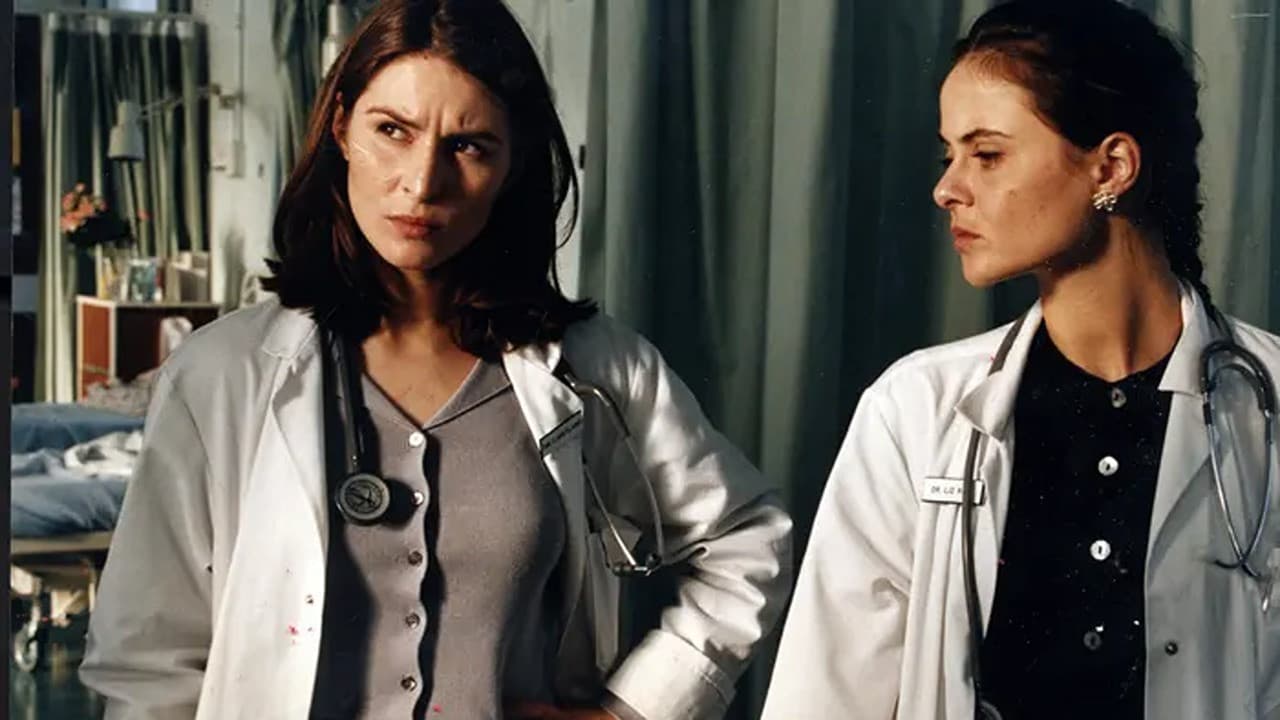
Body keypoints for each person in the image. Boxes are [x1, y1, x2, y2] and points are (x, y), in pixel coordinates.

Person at [79, 1, 792, 718]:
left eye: (470, 146)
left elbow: (749, 543)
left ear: (513, 164)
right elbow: (147, 667)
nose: (422, 183)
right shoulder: (222, 374)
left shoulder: (596, 370)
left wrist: (632, 712)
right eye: (392, 130)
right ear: (341, 128)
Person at [762, 1, 1280, 718]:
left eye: (987, 154)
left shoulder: (1267, 402)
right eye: (949, 156)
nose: (947, 189)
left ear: (1112, 166)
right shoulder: (913, 412)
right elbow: (822, 700)